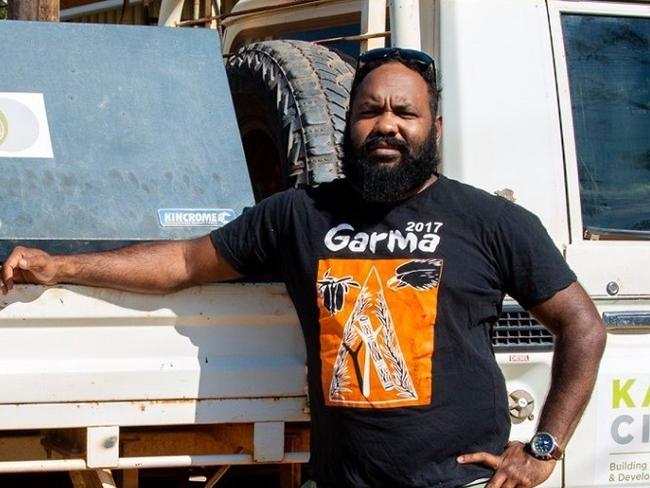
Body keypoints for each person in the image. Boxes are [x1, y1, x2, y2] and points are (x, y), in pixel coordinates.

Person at [0, 48, 605, 488]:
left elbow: (583, 326)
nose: (386, 124)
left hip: (462, 482)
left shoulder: (490, 221)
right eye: (370, 111)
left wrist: (544, 448)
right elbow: (183, 262)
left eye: (405, 112)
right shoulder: (300, 214)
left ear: (434, 128)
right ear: (348, 123)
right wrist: (59, 267)